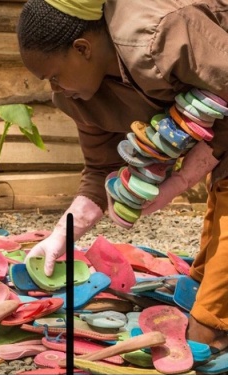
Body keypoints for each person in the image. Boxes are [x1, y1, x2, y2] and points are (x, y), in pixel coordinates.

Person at [16, 0, 228, 349]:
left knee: (204, 330)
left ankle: (211, 326)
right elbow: (101, 169)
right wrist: (60, 236)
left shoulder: (161, 35)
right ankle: (207, 297)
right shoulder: (78, 97)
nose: (53, 88)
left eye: (54, 76)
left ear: (82, 49)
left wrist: (179, 180)